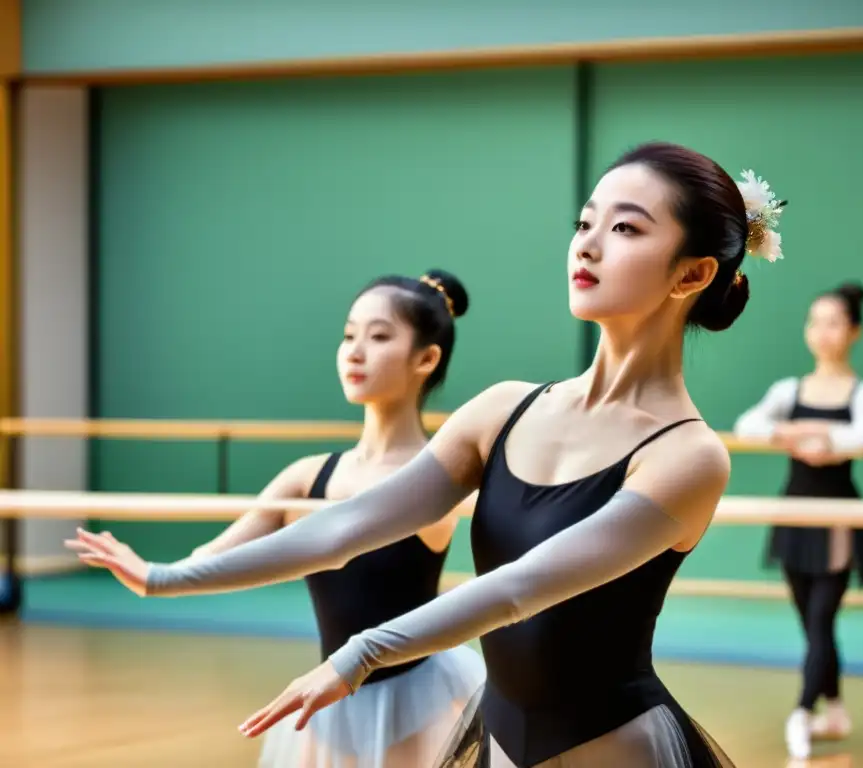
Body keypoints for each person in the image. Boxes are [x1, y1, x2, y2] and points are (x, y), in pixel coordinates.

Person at [69, 143, 787, 767]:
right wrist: (165, 576)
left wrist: (359, 656)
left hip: (615, 746)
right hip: (501, 737)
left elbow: (517, 590)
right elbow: (343, 528)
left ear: (691, 275)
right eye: (584, 222)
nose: (587, 245)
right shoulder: (504, 410)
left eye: (625, 228)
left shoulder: (689, 457)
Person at [70, 270, 486, 768]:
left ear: (426, 358)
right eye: (349, 334)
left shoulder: (436, 476)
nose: (354, 351)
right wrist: (157, 576)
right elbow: (219, 555)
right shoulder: (306, 477)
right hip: (330, 702)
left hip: (420, 703)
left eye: (378, 337)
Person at [733, 282, 863, 760]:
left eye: (834, 322)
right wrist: (798, 432)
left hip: (837, 514)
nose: (822, 332)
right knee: (810, 620)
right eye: (814, 321)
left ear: (854, 331)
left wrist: (810, 436)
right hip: (794, 510)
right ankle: (835, 708)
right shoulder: (788, 390)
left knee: (821, 618)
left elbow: (859, 437)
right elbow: (748, 425)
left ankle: (802, 712)